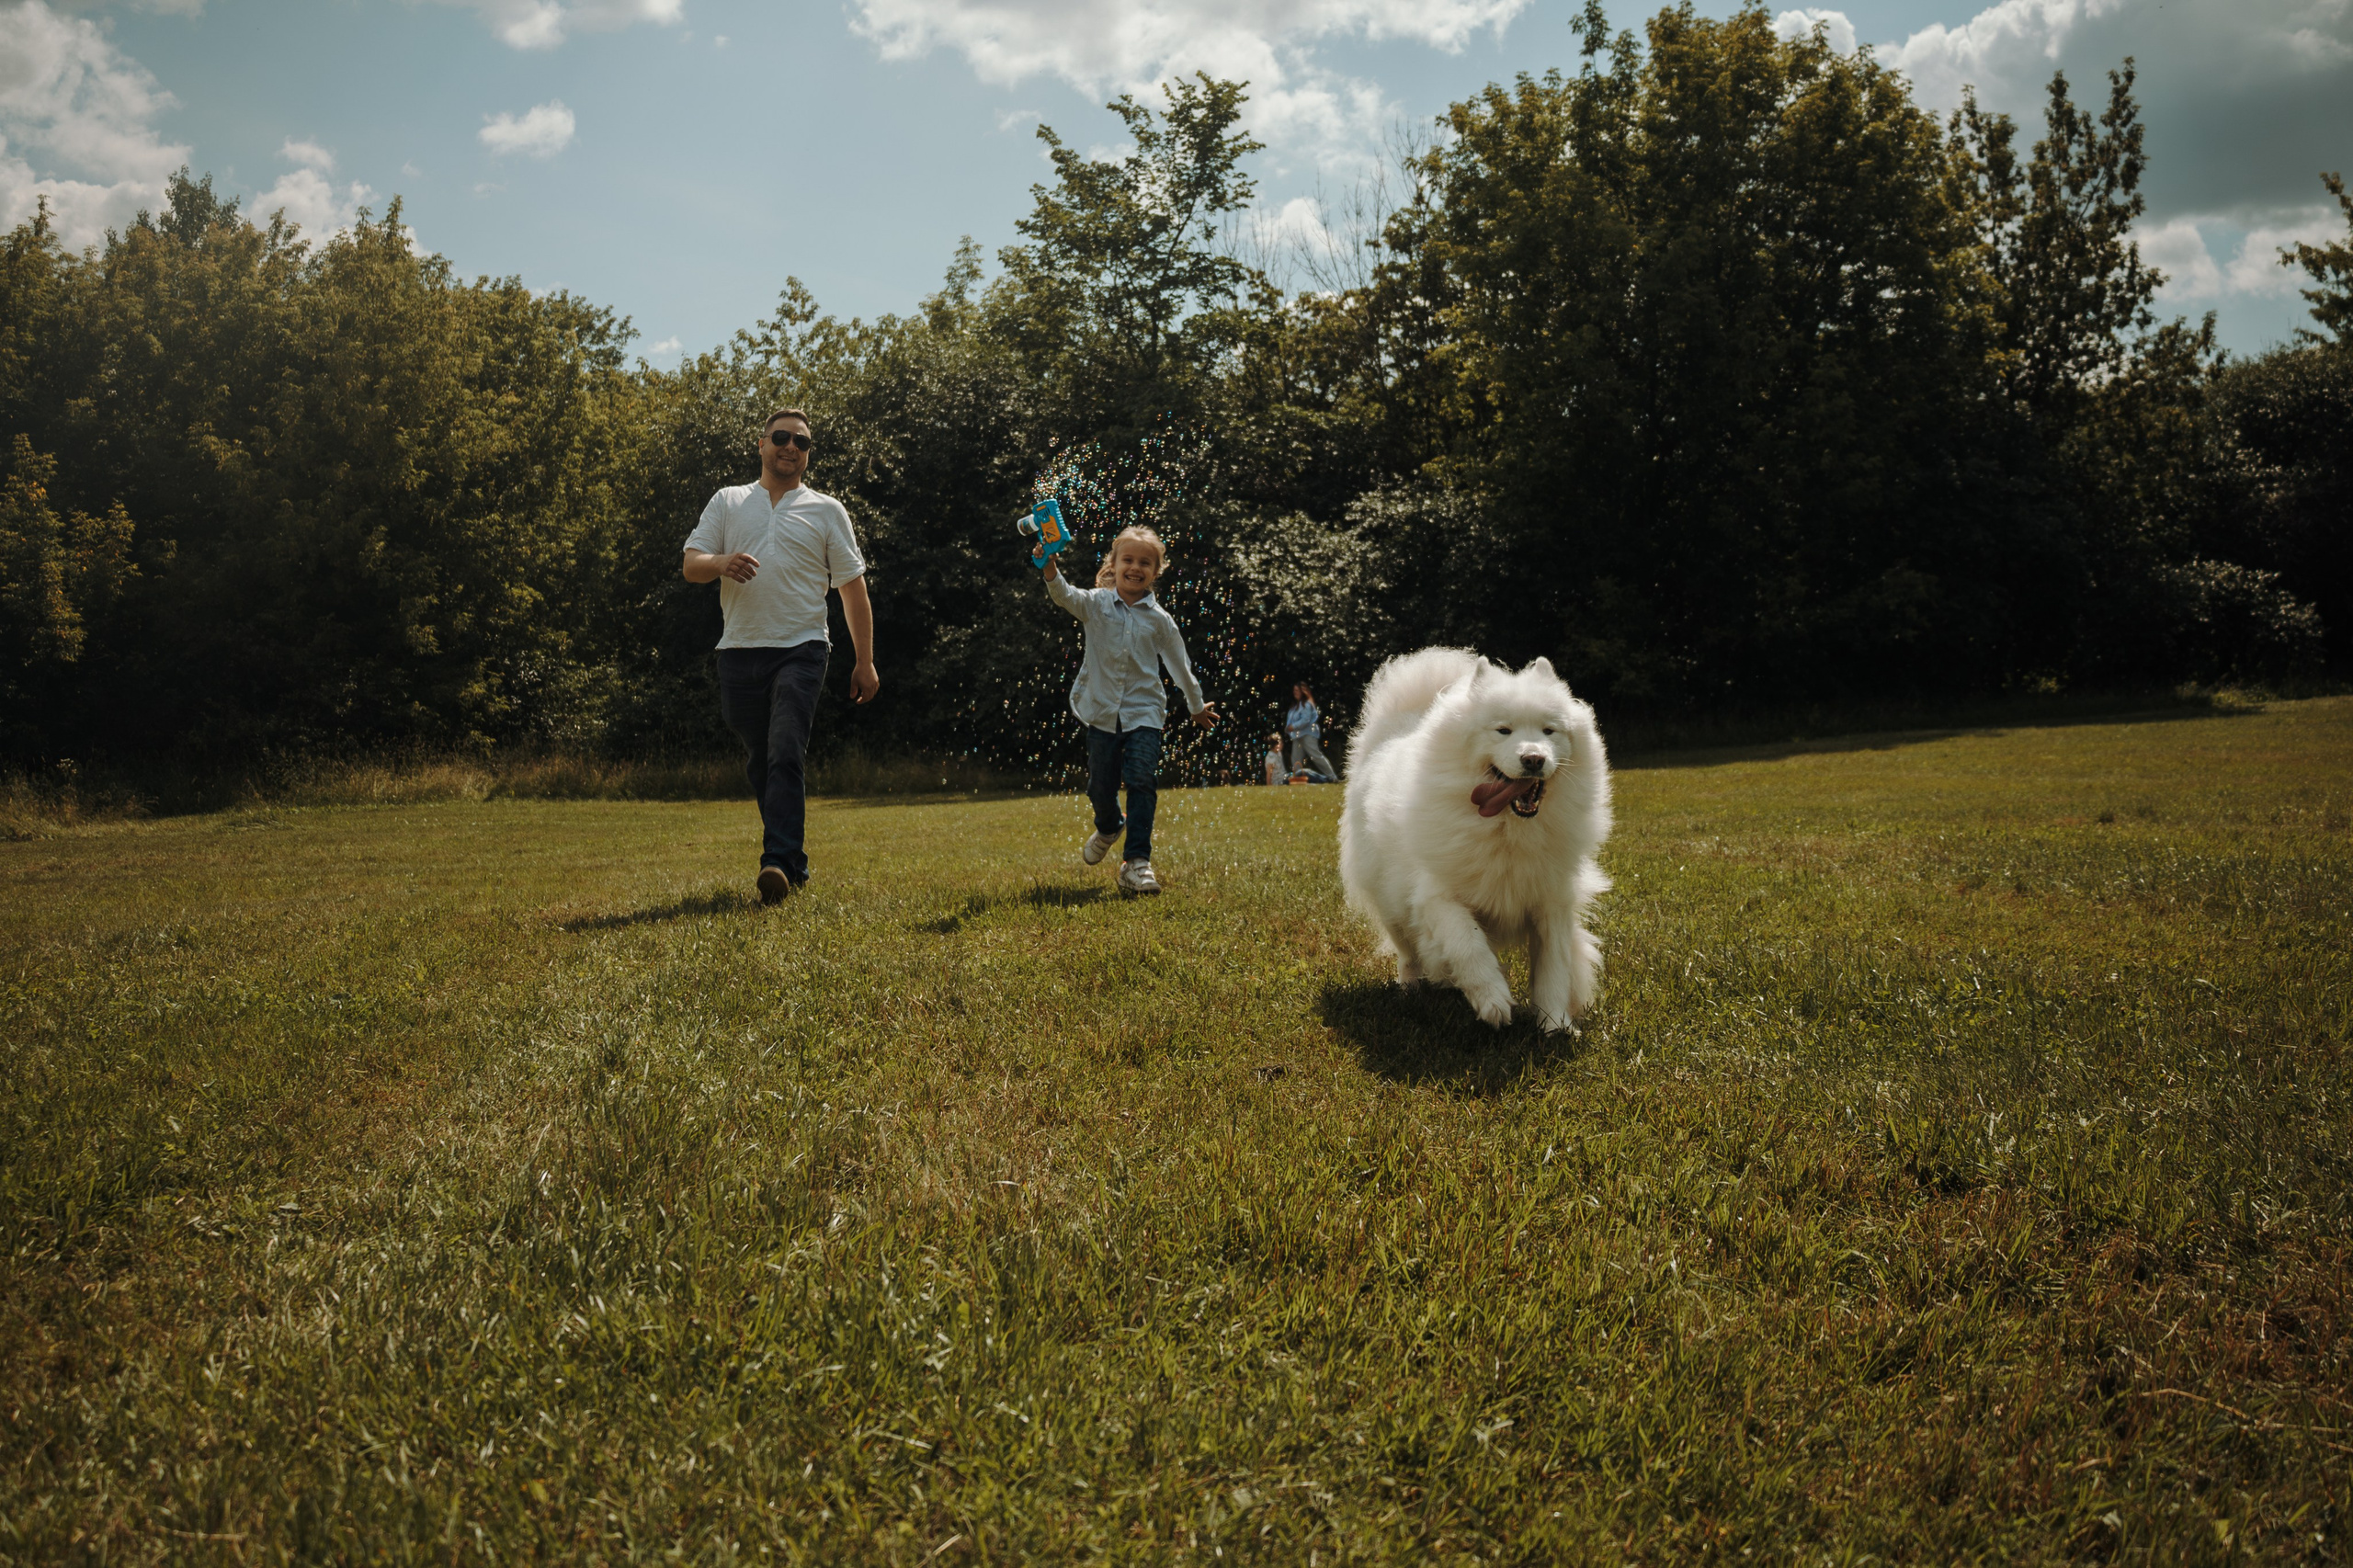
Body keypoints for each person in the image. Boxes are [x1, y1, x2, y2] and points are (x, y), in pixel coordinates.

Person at [682, 408, 879, 905]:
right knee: (761, 760)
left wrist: (865, 660)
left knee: (786, 748)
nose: (792, 447)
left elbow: (852, 590)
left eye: (803, 442)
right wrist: (722, 561)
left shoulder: (827, 510)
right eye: (782, 437)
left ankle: (777, 862)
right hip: (739, 652)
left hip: (803, 648)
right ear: (763, 443)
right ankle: (794, 863)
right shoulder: (728, 502)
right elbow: (691, 565)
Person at [1040, 524, 1217, 895]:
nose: (1136, 568)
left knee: (1141, 780)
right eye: (1129, 560)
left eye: (1145, 563)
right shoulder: (1097, 603)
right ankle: (1108, 825)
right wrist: (1050, 567)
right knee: (1099, 787)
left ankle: (1135, 862)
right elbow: (1065, 596)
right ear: (1114, 564)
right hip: (1102, 713)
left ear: (1156, 572)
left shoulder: (1160, 621)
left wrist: (1196, 706)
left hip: (1145, 714)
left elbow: (1180, 667)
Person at [1286, 682, 1339, 781]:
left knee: (1315, 756)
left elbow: (1305, 720)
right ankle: (1298, 780)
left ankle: (1333, 777)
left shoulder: (1307, 705)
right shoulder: (1294, 707)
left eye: (1297, 690)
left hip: (1308, 734)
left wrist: (1293, 726)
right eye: (1294, 691)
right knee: (1296, 759)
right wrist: (1289, 728)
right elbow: (1289, 721)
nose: (1295, 693)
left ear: (1302, 692)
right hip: (1297, 736)